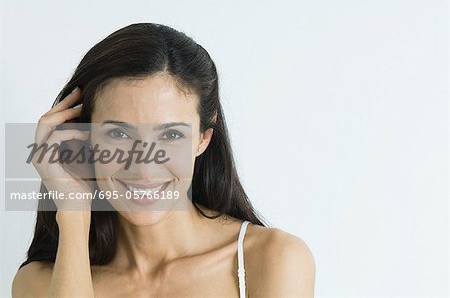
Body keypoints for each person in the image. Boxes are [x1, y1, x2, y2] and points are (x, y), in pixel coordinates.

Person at [11, 23, 315, 297]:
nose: (144, 167)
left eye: (170, 136)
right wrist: (74, 217)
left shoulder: (273, 260)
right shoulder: (40, 283)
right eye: (118, 134)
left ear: (203, 137)